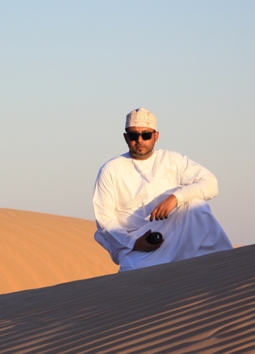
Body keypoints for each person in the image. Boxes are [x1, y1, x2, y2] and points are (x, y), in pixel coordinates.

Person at [92, 107, 233, 271]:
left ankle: (224, 263)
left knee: (195, 205)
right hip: (137, 242)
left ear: (155, 136)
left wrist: (175, 198)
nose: (139, 140)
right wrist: (134, 242)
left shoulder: (171, 160)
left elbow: (210, 184)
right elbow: (105, 220)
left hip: (175, 233)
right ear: (125, 137)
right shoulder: (111, 169)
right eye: (133, 135)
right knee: (134, 276)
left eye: (146, 135)